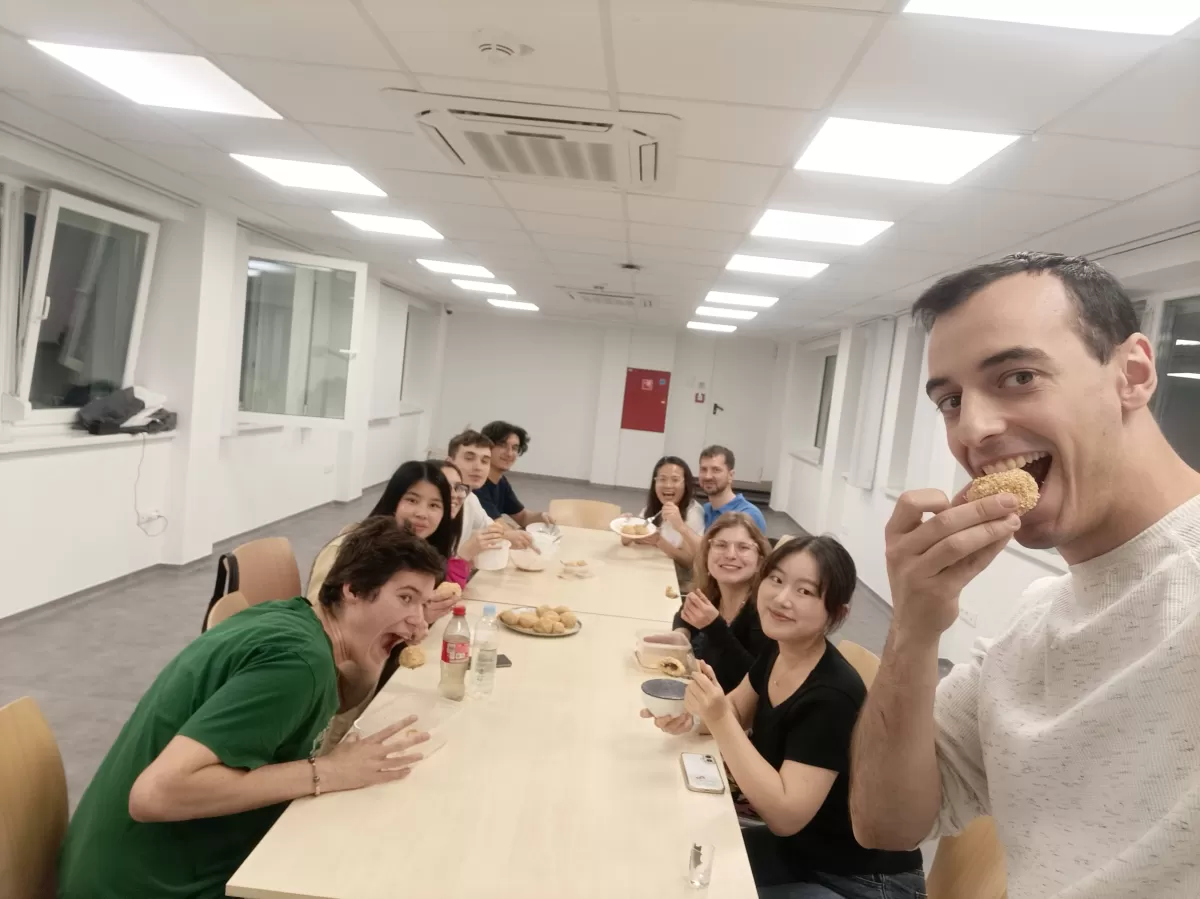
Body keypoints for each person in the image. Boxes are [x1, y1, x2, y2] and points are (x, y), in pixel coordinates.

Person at [849, 253, 1200, 899]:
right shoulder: (1036, 616)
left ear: (1134, 373)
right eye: (950, 400)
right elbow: (885, 823)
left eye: (1018, 375)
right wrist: (914, 627)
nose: (973, 429)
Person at [58, 517, 443, 899]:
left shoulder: (299, 621)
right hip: (149, 884)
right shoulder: (297, 664)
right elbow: (155, 794)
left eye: (424, 604)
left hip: (135, 863)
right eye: (406, 597)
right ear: (353, 589)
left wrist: (379, 649)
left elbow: (331, 703)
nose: (418, 620)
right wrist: (328, 771)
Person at [643, 536, 925, 898]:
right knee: (676, 860)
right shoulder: (780, 652)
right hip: (807, 848)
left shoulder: (831, 695)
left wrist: (717, 718)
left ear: (836, 613)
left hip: (865, 879)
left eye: (805, 591)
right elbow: (733, 709)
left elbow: (785, 814)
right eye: (775, 579)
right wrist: (690, 716)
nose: (781, 598)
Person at [308, 461, 462, 627]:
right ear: (393, 501)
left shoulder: (422, 555)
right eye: (412, 500)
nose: (422, 514)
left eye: (434, 505)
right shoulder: (345, 549)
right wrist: (415, 619)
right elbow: (319, 620)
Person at [654, 512, 772, 692]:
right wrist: (681, 634)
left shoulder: (764, 614)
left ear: (759, 562)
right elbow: (684, 613)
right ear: (707, 555)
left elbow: (757, 684)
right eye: (721, 545)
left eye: (743, 547)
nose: (730, 555)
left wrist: (714, 628)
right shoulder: (713, 593)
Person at [446, 428, 534, 550]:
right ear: (449, 462)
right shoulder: (439, 499)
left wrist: (510, 535)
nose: (478, 467)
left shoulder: (470, 498)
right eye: (469, 458)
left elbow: (491, 528)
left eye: (484, 461)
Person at [624, 455, 705, 579]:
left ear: (686, 484)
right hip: (645, 570)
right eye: (662, 479)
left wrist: (659, 542)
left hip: (673, 580)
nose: (668, 485)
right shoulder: (653, 507)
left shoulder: (693, 513)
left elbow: (688, 563)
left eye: (675, 479)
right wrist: (626, 531)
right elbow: (636, 538)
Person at [475, 420, 554, 526]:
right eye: (502, 445)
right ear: (486, 446)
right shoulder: (477, 483)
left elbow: (522, 516)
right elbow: (498, 526)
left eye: (515, 448)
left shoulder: (501, 482)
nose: (509, 453)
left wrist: (541, 516)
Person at [698, 445, 767, 534]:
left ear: (731, 475)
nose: (707, 476)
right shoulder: (704, 510)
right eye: (703, 469)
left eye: (716, 470)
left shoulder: (748, 515)